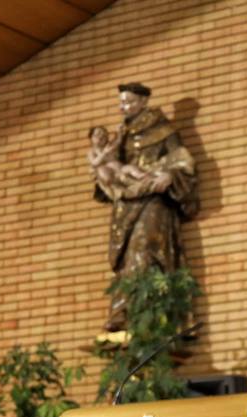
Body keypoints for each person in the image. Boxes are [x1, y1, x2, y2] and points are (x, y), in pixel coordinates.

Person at [94, 82, 200, 331]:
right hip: (126, 202)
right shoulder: (121, 135)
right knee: (127, 257)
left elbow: (183, 161)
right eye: (121, 103)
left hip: (153, 198)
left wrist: (171, 176)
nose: (124, 107)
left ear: (143, 102)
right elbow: (109, 168)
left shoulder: (163, 130)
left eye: (129, 102)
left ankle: (150, 312)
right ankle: (123, 312)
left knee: (147, 247)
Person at [87, 126, 150, 201]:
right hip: (110, 175)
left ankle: (140, 176)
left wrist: (119, 132)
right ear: (91, 139)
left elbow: (118, 142)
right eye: (98, 135)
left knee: (130, 168)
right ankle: (117, 187)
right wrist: (104, 153)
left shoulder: (109, 146)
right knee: (103, 172)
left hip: (121, 170)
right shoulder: (92, 152)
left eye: (104, 134)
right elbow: (94, 163)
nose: (101, 136)